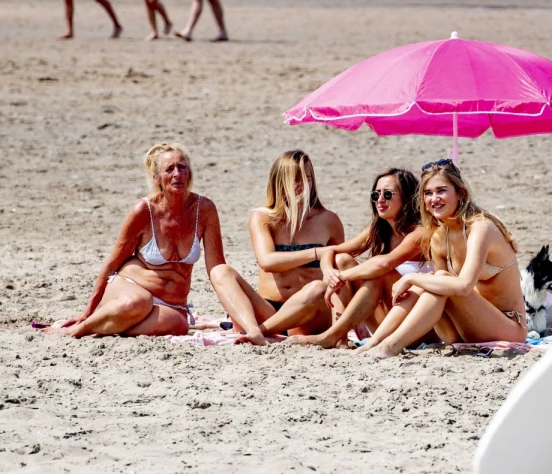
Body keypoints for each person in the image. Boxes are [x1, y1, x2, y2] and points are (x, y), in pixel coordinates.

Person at [51, 144, 269, 344]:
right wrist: (87, 311)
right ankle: (80, 329)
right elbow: (112, 263)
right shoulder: (143, 211)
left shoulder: (204, 210)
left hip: (172, 305)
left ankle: (113, 324)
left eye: (182, 167)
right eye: (169, 169)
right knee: (139, 301)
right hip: (130, 288)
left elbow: (217, 269)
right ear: (156, 178)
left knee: (178, 325)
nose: (177, 174)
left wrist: (236, 312)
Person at [358, 160, 527, 358]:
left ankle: (391, 346)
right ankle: (376, 342)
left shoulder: (481, 228)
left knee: (437, 280)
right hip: (460, 330)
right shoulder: (439, 237)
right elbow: (438, 289)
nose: (434, 198)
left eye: (441, 191)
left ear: (460, 193)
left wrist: (411, 278)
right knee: (434, 281)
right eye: (428, 193)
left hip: (508, 327)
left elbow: (464, 286)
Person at [289, 168, 427, 348]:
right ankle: (340, 339)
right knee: (342, 260)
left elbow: (384, 264)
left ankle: (331, 335)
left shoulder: (421, 232)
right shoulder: (379, 230)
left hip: (416, 327)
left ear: (407, 197)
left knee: (380, 273)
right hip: (386, 320)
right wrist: (329, 272)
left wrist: (341, 277)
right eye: (375, 195)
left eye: (387, 194)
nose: (380, 200)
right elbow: (331, 251)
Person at [243, 150, 345, 336]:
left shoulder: (329, 220)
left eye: (307, 178)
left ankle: (259, 332)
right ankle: (259, 329)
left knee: (318, 288)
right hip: (269, 308)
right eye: (295, 180)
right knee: (222, 272)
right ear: (279, 181)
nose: (302, 185)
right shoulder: (263, 218)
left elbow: (342, 269)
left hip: (309, 312)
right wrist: (316, 253)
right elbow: (267, 262)